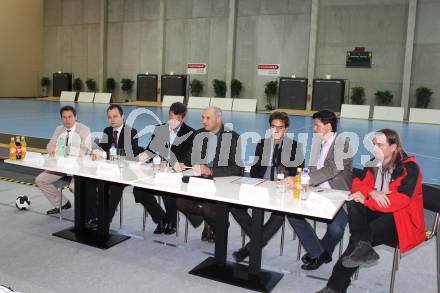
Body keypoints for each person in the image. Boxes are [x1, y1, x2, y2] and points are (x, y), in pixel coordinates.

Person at [317, 129, 425, 293]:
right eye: (374, 143)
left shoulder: (409, 167)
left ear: (394, 146)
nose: (375, 148)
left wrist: (368, 199)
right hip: (378, 209)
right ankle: (362, 246)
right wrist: (372, 193)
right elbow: (357, 184)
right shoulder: (373, 162)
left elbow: (400, 200)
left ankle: (334, 287)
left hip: (400, 218)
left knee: (356, 245)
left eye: (380, 144)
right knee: (354, 201)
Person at [231, 111, 304, 262]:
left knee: (278, 215)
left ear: (286, 129)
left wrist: (283, 180)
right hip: (260, 186)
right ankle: (259, 240)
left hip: (282, 189)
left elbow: (298, 173)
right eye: (273, 127)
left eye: (280, 127)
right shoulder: (261, 144)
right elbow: (255, 169)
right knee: (234, 206)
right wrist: (259, 183)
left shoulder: (296, 147)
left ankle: (250, 248)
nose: (276, 131)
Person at [288, 110, 352, 270]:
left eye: (317, 125)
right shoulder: (319, 143)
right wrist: (299, 177)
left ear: (328, 126)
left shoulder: (343, 144)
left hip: (338, 196)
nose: (314, 129)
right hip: (316, 192)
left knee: (336, 229)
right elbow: (312, 168)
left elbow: (331, 170)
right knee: (292, 214)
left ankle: (321, 252)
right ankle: (318, 253)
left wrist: (302, 180)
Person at [176, 106, 243, 242]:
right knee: (181, 203)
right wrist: (180, 164)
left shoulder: (234, 137)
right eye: (202, 117)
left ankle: (218, 225)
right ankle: (212, 222)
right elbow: (190, 157)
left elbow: (237, 169)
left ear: (218, 119)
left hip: (220, 183)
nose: (203, 121)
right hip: (200, 180)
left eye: (208, 118)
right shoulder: (199, 134)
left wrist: (212, 171)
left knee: (208, 209)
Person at [133, 102, 194, 234]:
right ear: (168, 114)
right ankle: (161, 218)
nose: (173, 122)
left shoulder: (190, 133)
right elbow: (150, 151)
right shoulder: (159, 129)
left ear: (183, 118)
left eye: (177, 120)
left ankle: (172, 222)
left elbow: (186, 159)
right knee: (138, 191)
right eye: (171, 118)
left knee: (168, 192)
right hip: (155, 171)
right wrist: (138, 159)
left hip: (174, 175)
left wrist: (168, 163)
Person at [86, 104, 142, 226]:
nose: (112, 119)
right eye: (109, 117)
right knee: (87, 183)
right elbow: (102, 147)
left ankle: (104, 220)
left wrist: (104, 154)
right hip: (107, 169)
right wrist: (95, 153)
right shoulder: (107, 131)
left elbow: (127, 154)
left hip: (124, 172)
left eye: (115, 116)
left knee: (115, 188)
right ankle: (94, 214)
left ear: (123, 116)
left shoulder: (132, 132)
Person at [35, 105, 91, 215]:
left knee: (73, 186)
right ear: (61, 118)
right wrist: (51, 149)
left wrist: (66, 150)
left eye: (70, 117)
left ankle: (91, 211)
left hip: (78, 167)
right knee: (40, 180)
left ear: (76, 117)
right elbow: (50, 145)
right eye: (64, 117)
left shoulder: (84, 129)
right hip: (60, 166)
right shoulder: (59, 129)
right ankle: (62, 203)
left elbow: (84, 150)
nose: (67, 120)